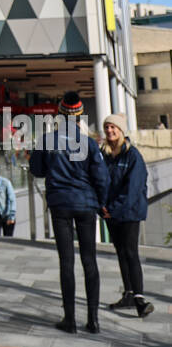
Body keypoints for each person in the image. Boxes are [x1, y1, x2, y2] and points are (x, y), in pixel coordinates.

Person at [29, 91, 109, 334]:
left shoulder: (47, 140)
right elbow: (102, 178)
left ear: (60, 114)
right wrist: (101, 202)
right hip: (86, 204)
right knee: (89, 261)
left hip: (60, 204)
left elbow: (37, 170)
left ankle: (70, 319)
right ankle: (93, 320)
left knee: (66, 262)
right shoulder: (90, 144)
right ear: (79, 117)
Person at [100, 113, 153, 317]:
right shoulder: (103, 154)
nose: (110, 131)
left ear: (122, 131)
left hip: (129, 211)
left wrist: (112, 208)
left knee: (130, 252)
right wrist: (102, 206)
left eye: (114, 127)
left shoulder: (133, 156)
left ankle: (139, 298)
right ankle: (129, 294)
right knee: (121, 252)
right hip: (110, 212)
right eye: (107, 127)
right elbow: (98, 180)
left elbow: (133, 190)